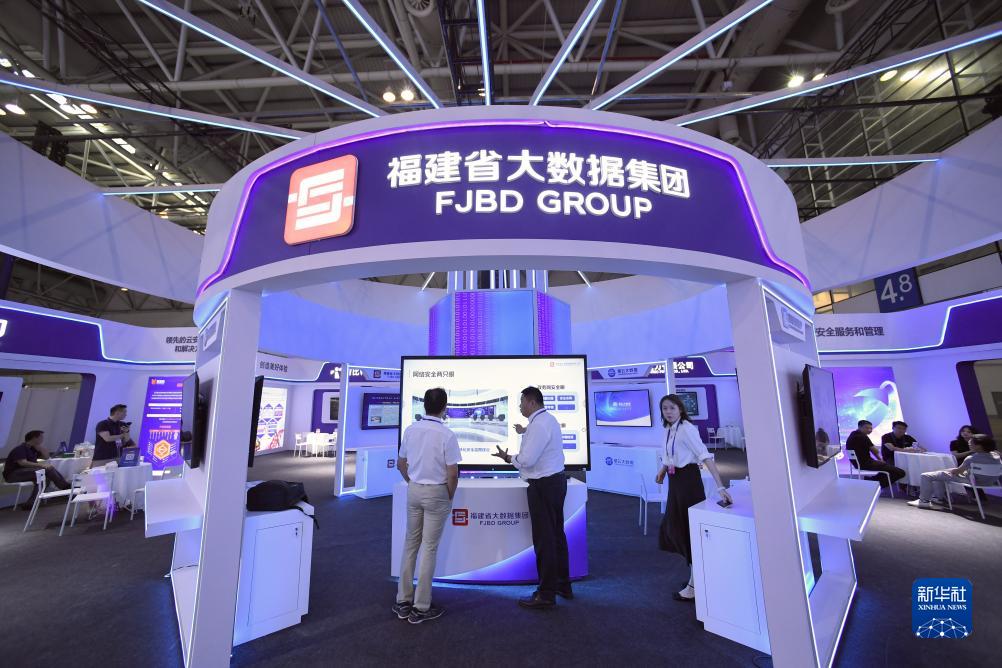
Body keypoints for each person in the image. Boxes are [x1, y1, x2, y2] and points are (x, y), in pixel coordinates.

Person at [492, 386, 570, 609]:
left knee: (545, 540)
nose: (519, 406)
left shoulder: (539, 425)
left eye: (521, 402)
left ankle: (546, 594)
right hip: (554, 483)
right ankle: (562, 584)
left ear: (532, 402)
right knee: (556, 536)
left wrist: (509, 458)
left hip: (543, 486)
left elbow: (527, 460)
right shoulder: (547, 420)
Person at [654, 395, 733, 603]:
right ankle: (696, 576)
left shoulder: (687, 428)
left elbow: (705, 456)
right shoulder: (669, 429)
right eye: (665, 408)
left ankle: (694, 585)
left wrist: (720, 486)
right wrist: (662, 470)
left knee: (688, 530)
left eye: (672, 408)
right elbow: (669, 455)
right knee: (674, 527)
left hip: (688, 482)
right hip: (676, 482)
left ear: (680, 409)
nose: (668, 412)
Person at [394, 388, 460, 625]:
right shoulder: (447, 435)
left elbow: (401, 463)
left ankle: (403, 600)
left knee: (411, 544)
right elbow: (453, 473)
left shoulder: (411, 430)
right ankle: (421, 607)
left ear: (424, 406)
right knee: (429, 548)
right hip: (437, 493)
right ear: (445, 407)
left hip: (414, 490)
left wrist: (411, 482)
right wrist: (449, 495)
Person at [908, 434, 1000, 509]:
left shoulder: (971, 458)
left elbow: (957, 472)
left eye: (971, 443)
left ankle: (924, 501)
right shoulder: (996, 456)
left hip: (972, 480)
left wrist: (946, 470)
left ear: (979, 446)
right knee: (940, 475)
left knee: (926, 475)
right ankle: (938, 497)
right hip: (990, 482)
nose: (969, 444)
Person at [3, 430, 71, 508]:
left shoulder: (33, 449)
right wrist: (41, 465)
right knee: (47, 470)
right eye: (41, 437)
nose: (42, 439)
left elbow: (46, 457)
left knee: (45, 478)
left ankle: (31, 503)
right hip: (13, 475)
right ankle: (66, 488)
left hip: (27, 473)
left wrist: (41, 448)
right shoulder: (20, 449)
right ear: (34, 438)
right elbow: (23, 463)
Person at [845, 419, 905, 489]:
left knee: (887, 468)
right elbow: (875, 451)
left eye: (871, 428)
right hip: (865, 464)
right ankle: (875, 486)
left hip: (857, 463)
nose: (869, 430)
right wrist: (880, 460)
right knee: (901, 472)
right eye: (867, 428)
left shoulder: (853, 434)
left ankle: (871, 480)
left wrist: (880, 461)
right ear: (859, 427)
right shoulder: (862, 436)